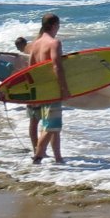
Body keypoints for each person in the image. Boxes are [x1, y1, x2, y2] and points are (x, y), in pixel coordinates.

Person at [26, 13, 70, 164]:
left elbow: (30, 69)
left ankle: (58, 158)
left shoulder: (35, 44)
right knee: (52, 125)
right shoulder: (54, 43)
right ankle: (39, 155)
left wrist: (33, 93)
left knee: (52, 125)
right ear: (53, 25)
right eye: (58, 25)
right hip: (52, 89)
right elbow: (57, 67)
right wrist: (64, 88)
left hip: (40, 90)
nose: (58, 29)